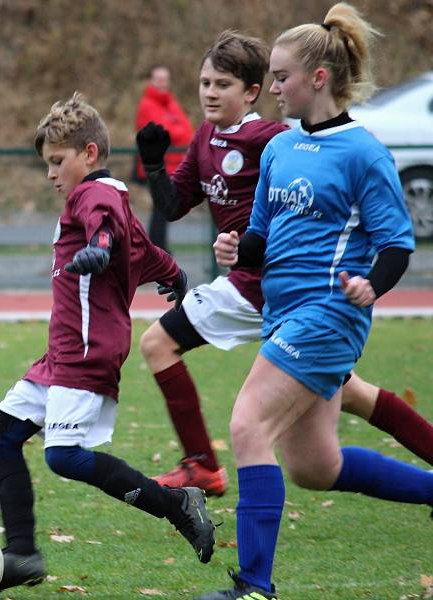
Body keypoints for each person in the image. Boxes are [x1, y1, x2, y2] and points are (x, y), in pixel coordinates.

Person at [196, 5, 433, 598]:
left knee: (248, 425)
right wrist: (236, 248)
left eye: (281, 77)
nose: (272, 87)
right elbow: (261, 236)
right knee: (313, 467)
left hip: (329, 316)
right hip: (284, 315)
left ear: (318, 79)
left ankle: (254, 586)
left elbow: (396, 245)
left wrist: (370, 285)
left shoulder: (363, 152)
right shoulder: (279, 149)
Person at [135, 30, 433, 499]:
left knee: (159, 345)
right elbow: (173, 205)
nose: (210, 93)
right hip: (265, 286)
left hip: (267, 288)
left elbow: (323, 151)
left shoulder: (273, 138)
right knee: (330, 437)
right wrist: (153, 166)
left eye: (222, 84)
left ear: (252, 92)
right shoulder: (206, 138)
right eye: (204, 83)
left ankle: (203, 466)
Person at [0, 92, 215, 593]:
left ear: (89, 153)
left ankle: (176, 503)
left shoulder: (96, 195)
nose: (51, 173)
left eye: (57, 161)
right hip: (62, 352)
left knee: (63, 456)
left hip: (88, 349)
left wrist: (99, 247)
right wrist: (173, 274)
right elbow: (144, 249)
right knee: (0, 438)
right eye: (47, 163)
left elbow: (107, 230)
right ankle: (22, 551)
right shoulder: (107, 200)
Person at [134, 65, 194, 251]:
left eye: (165, 79)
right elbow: (166, 131)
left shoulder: (170, 102)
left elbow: (187, 131)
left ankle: (158, 247)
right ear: (152, 81)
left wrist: (179, 130)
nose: (162, 83)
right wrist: (178, 130)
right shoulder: (148, 104)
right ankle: (157, 248)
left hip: (173, 165)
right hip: (159, 165)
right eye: (158, 79)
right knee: (161, 209)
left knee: (162, 209)